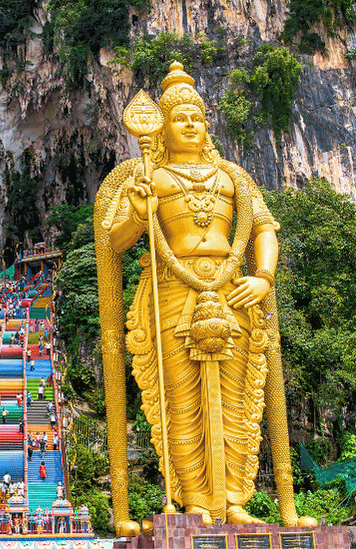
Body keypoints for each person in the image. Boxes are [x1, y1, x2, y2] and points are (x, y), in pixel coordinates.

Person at [95, 61, 314, 529]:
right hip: (173, 292)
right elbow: (115, 240)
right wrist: (137, 210)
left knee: (238, 398)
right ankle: (195, 502)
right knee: (180, 401)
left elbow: (264, 230)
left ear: (206, 123)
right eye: (180, 117)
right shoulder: (148, 177)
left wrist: (265, 277)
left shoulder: (233, 177)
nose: (190, 123)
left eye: (196, 115)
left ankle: (235, 501)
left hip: (233, 289)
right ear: (164, 127)